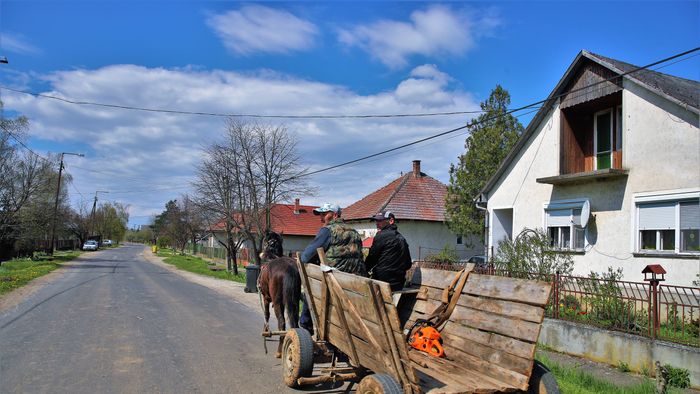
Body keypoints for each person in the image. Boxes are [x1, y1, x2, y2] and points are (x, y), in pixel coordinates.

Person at [299, 203, 366, 333]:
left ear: (335, 215)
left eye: (324, 214)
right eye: (321, 215)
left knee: (309, 289)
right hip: (355, 282)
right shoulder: (355, 233)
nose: (321, 218)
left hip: (334, 280)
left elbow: (306, 257)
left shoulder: (327, 231)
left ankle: (305, 326)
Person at [365, 211, 412, 291]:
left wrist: (363, 270)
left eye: (380, 221)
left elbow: (371, 259)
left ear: (391, 221)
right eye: (376, 221)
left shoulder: (381, 236)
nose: (377, 223)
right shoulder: (402, 239)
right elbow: (408, 264)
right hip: (398, 284)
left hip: (381, 283)